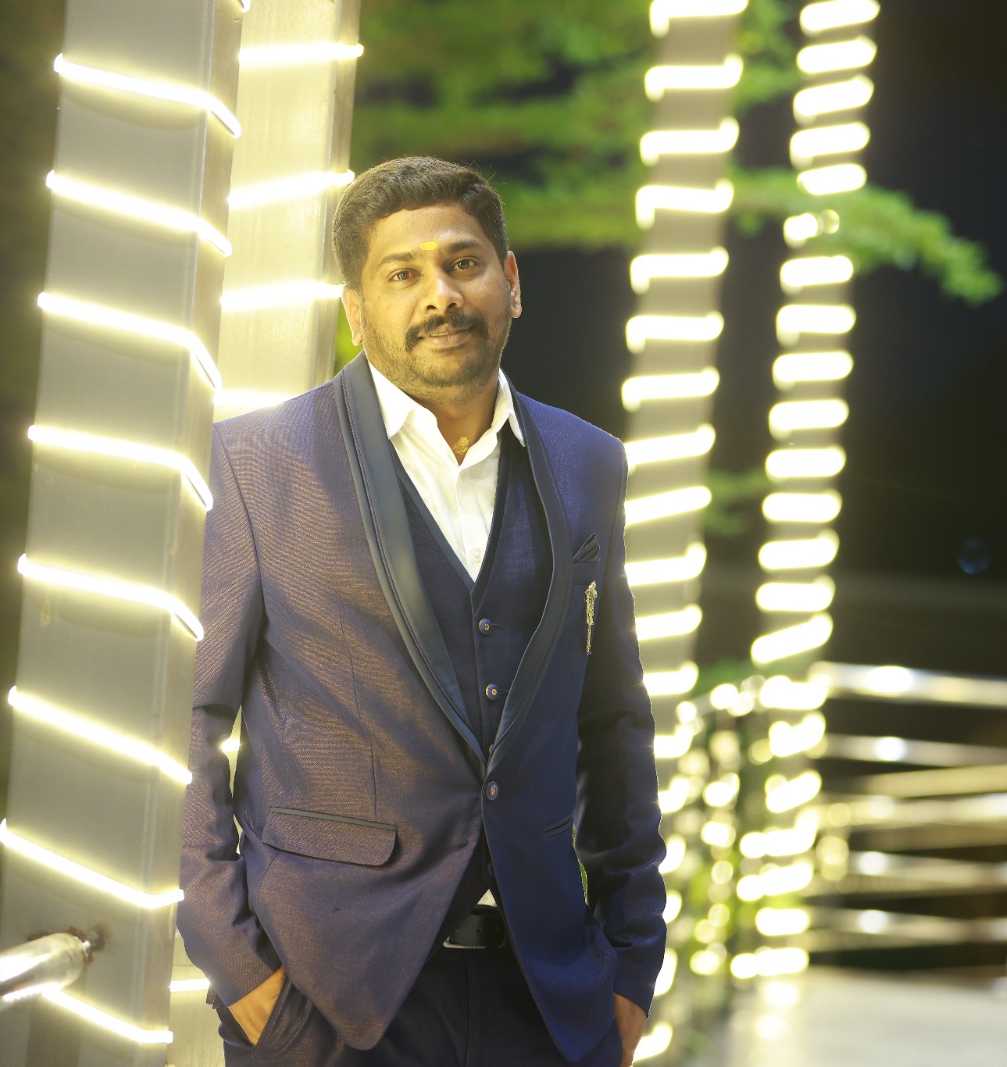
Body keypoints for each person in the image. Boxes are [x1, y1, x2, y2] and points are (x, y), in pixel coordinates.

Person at [178, 156, 666, 1067]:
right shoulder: (256, 464)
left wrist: (634, 960)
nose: (440, 294)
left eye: (463, 263)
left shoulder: (588, 462)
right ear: (357, 312)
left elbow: (613, 720)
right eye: (402, 274)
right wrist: (239, 967)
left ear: (510, 282)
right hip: (325, 1002)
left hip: (547, 998)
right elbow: (186, 720)